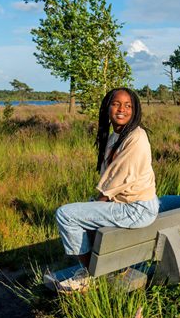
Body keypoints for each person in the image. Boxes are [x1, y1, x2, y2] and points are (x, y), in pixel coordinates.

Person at [54, 88, 158, 289]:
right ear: (107, 107)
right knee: (87, 212)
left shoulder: (136, 137)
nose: (122, 109)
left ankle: (90, 273)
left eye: (128, 105)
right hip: (131, 205)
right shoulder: (115, 137)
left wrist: (95, 206)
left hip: (136, 208)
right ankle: (99, 264)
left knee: (66, 215)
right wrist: (94, 207)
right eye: (116, 104)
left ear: (135, 110)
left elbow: (118, 178)